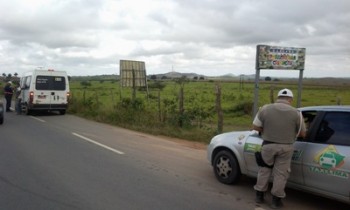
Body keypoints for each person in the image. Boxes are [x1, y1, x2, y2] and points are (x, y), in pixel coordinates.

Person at [252, 88, 306, 209]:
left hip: (267, 145)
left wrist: (267, 130)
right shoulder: (296, 113)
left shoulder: (265, 108)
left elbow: (255, 126)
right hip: (286, 147)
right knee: (281, 174)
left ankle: (259, 196)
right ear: (290, 100)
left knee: (264, 170)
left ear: (278, 97)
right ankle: (276, 201)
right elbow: (302, 134)